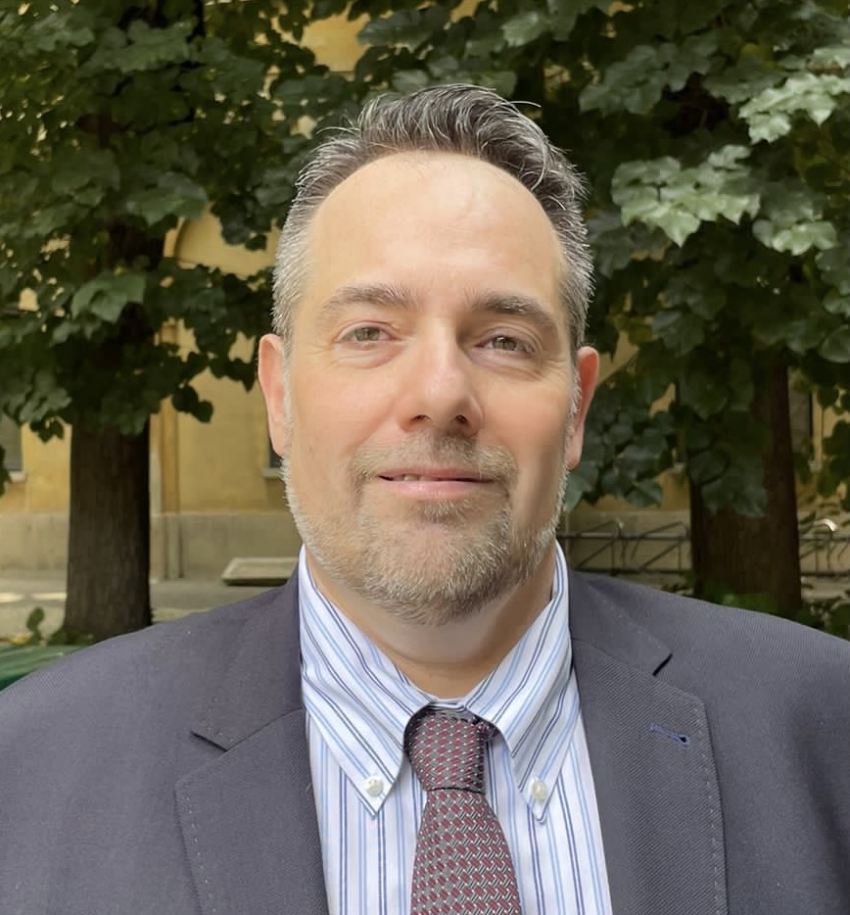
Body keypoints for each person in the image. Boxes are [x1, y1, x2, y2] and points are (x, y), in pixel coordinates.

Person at [1, 85, 848, 915]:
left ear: (577, 407)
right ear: (280, 395)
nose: (441, 394)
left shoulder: (823, 727)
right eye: (369, 332)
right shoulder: (33, 767)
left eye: (505, 339)